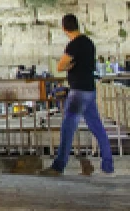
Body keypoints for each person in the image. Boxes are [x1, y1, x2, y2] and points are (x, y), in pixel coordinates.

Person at [40, 14, 114, 176]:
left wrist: (69, 66)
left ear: (64, 28)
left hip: (78, 92)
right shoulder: (89, 43)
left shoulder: (73, 45)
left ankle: (58, 166)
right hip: (90, 90)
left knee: (67, 129)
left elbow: (60, 66)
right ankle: (108, 165)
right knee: (98, 128)